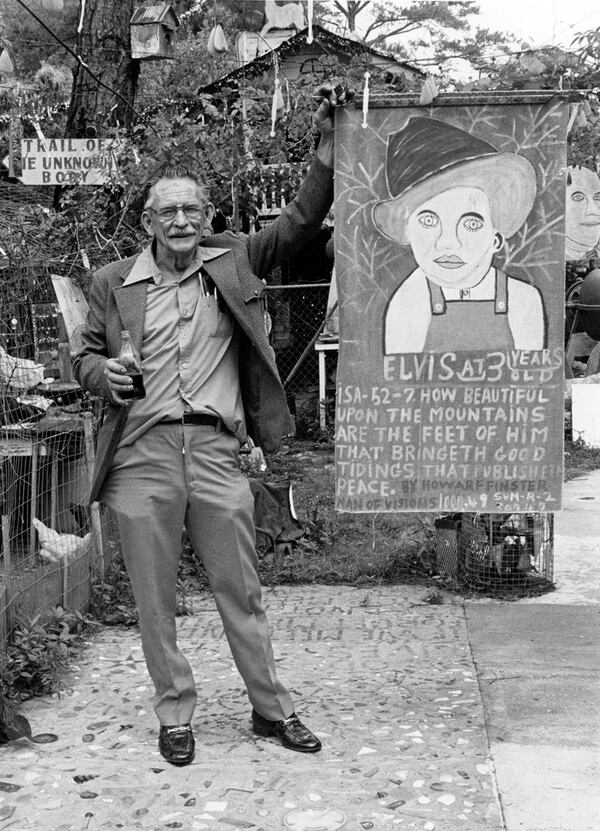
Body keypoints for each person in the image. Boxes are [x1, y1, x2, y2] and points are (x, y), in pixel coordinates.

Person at [73, 89, 339, 766]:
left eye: (192, 209)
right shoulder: (111, 282)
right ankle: (175, 713)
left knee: (240, 590)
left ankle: (270, 710)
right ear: (149, 222)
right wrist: (103, 375)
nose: (182, 219)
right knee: (155, 597)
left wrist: (327, 158)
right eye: (168, 211)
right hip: (141, 454)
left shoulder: (235, 262)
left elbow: (300, 225)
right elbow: (80, 356)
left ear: (207, 217)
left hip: (219, 451)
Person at [372, 117, 547, 354]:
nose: (447, 243)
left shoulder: (523, 300)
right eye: (428, 221)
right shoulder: (408, 301)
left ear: (495, 239)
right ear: (408, 232)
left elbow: (533, 380)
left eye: (471, 224)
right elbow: (401, 384)